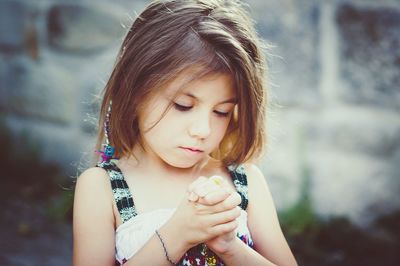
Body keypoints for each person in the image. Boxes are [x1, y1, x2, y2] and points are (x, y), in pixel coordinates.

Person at [73, 0, 297, 265]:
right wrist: (178, 234)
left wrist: (230, 247)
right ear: (135, 93)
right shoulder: (102, 188)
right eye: (183, 106)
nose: (203, 130)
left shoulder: (244, 181)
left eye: (222, 112)